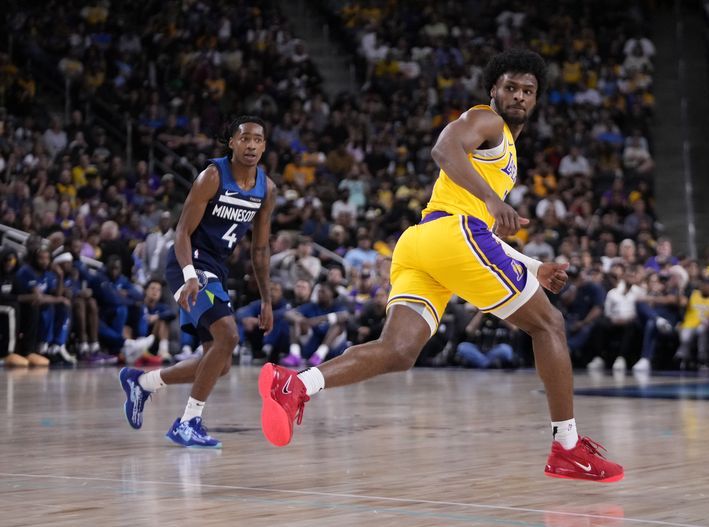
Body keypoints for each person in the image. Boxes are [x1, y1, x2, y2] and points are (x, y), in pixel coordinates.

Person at [258, 49, 623, 482]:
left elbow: (471, 223)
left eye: (528, 91)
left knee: (398, 351)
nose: (519, 96)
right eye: (511, 87)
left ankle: (296, 386)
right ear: (494, 90)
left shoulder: (507, 149)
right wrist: (492, 199)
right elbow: (444, 148)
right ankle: (567, 448)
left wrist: (533, 264)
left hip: (423, 243)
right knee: (549, 325)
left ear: (537, 98)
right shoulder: (487, 120)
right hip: (452, 236)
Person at [119, 116, 276, 448]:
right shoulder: (213, 176)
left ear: (264, 145)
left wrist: (266, 299)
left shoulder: (267, 188)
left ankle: (143, 383)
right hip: (187, 263)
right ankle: (188, 422)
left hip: (215, 268)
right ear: (231, 142)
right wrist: (190, 275)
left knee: (217, 366)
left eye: (257, 140)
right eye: (244, 138)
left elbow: (260, 250)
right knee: (228, 336)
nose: (250, 145)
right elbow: (182, 232)